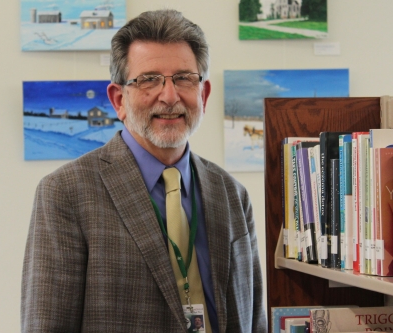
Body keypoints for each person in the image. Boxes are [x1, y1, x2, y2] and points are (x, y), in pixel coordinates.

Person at [21, 9, 266, 333]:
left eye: (183, 78)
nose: (169, 95)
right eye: (149, 79)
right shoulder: (66, 193)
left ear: (203, 95)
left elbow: (255, 322)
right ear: (118, 99)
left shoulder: (232, 194)